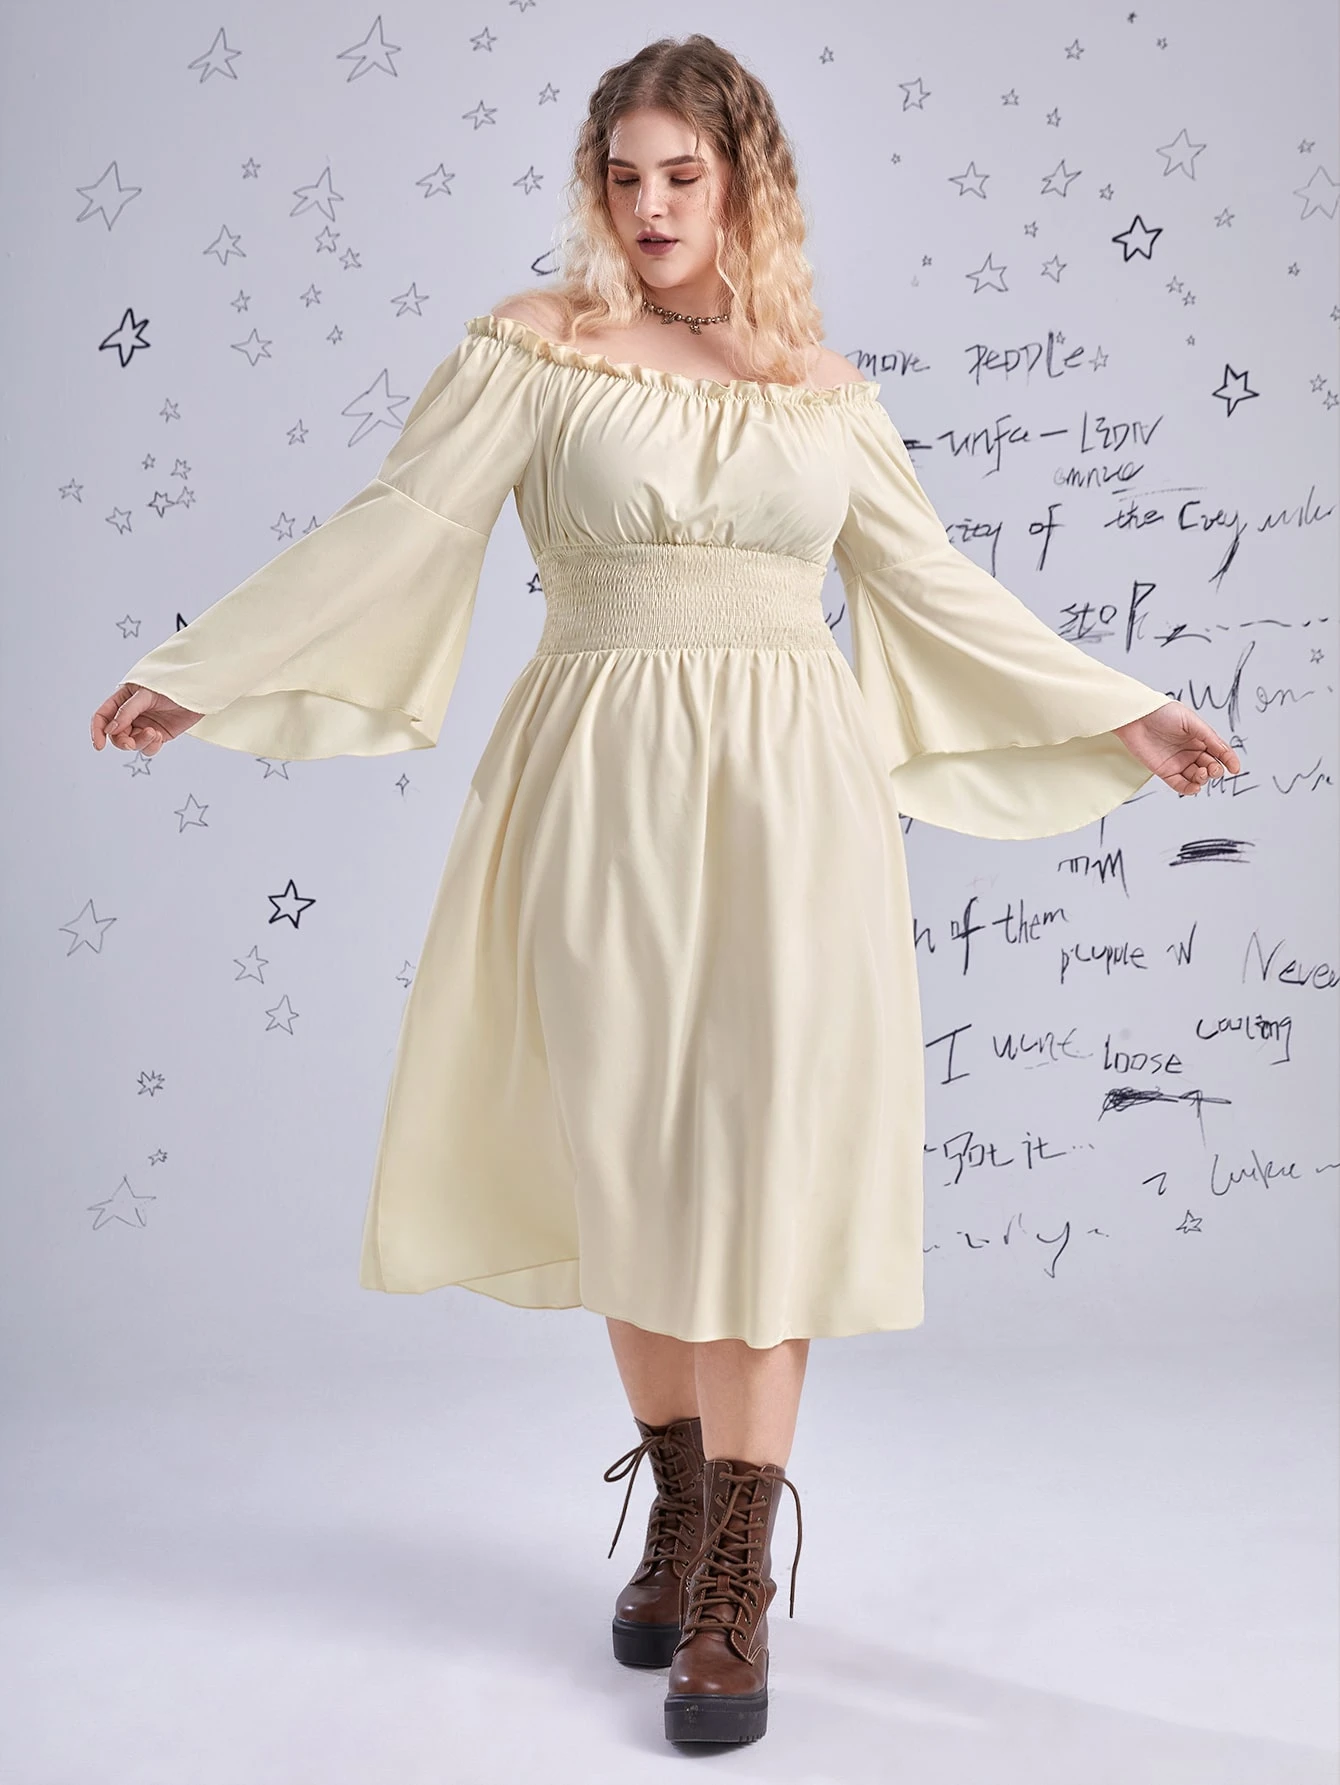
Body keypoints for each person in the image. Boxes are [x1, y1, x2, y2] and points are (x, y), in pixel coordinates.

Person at [88, 35, 1239, 1750]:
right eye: (623, 177)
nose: (648, 207)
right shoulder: (539, 348)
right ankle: (684, 1505)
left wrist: (1123, 710)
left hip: (794, 799)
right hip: (598, 787)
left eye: (681, 177)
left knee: (765, 1163)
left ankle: (736, 1583)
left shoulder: (822, 390)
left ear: (744, 180)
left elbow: (931, 585)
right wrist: (211, 669)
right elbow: (402, 525)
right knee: (628, 1150)